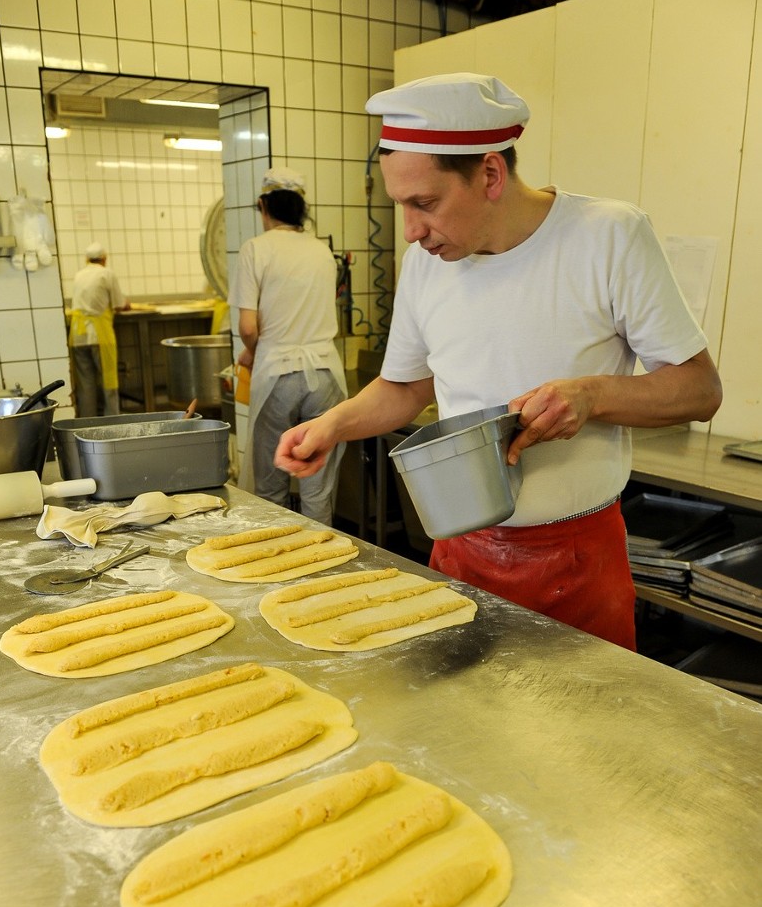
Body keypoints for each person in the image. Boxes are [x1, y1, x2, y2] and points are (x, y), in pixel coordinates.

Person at [274, 73, 722, 650]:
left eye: (425, 203)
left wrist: (591, 396)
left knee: (585, 732)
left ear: (490, 172)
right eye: (400, 206)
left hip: (577, 558)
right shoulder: (426, 266)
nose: (411, 231)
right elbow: (404, 388)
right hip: (458, 553)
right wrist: (330, 425)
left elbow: (698, 389)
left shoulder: (606, 236)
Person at [230, 166, 348, 526]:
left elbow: (248, 327)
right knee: (318, 486)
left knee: (271, 487)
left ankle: (280, 562)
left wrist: (253, 349)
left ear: (264, 205)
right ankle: (323, 560)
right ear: (301, 207)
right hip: (326, 374)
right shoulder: (321, 251)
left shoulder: (255, 250)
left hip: (279, 374)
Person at [68, 242, 129, 417]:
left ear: (87, 259)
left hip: (77, 335)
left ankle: (88, 423)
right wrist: (126, 304)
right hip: (99, 335)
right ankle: (113, 422)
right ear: (104, 259)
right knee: (108, 380)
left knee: (85, 384)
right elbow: (118, 304)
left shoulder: (79, 274)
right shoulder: (106, 274)